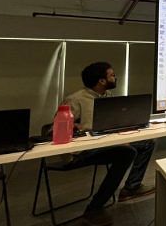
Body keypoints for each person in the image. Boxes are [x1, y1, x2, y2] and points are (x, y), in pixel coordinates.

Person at [60, 62, 155, 225]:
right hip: (83, 150)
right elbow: (57, 128)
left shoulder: (108, 97)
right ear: (101, 81)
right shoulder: (75, 99)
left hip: (107, 143)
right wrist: (74, 127)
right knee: (126, 153)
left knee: (146, 143)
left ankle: (131, 187)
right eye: (112, 75)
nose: (115, 77)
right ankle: (94, 208)